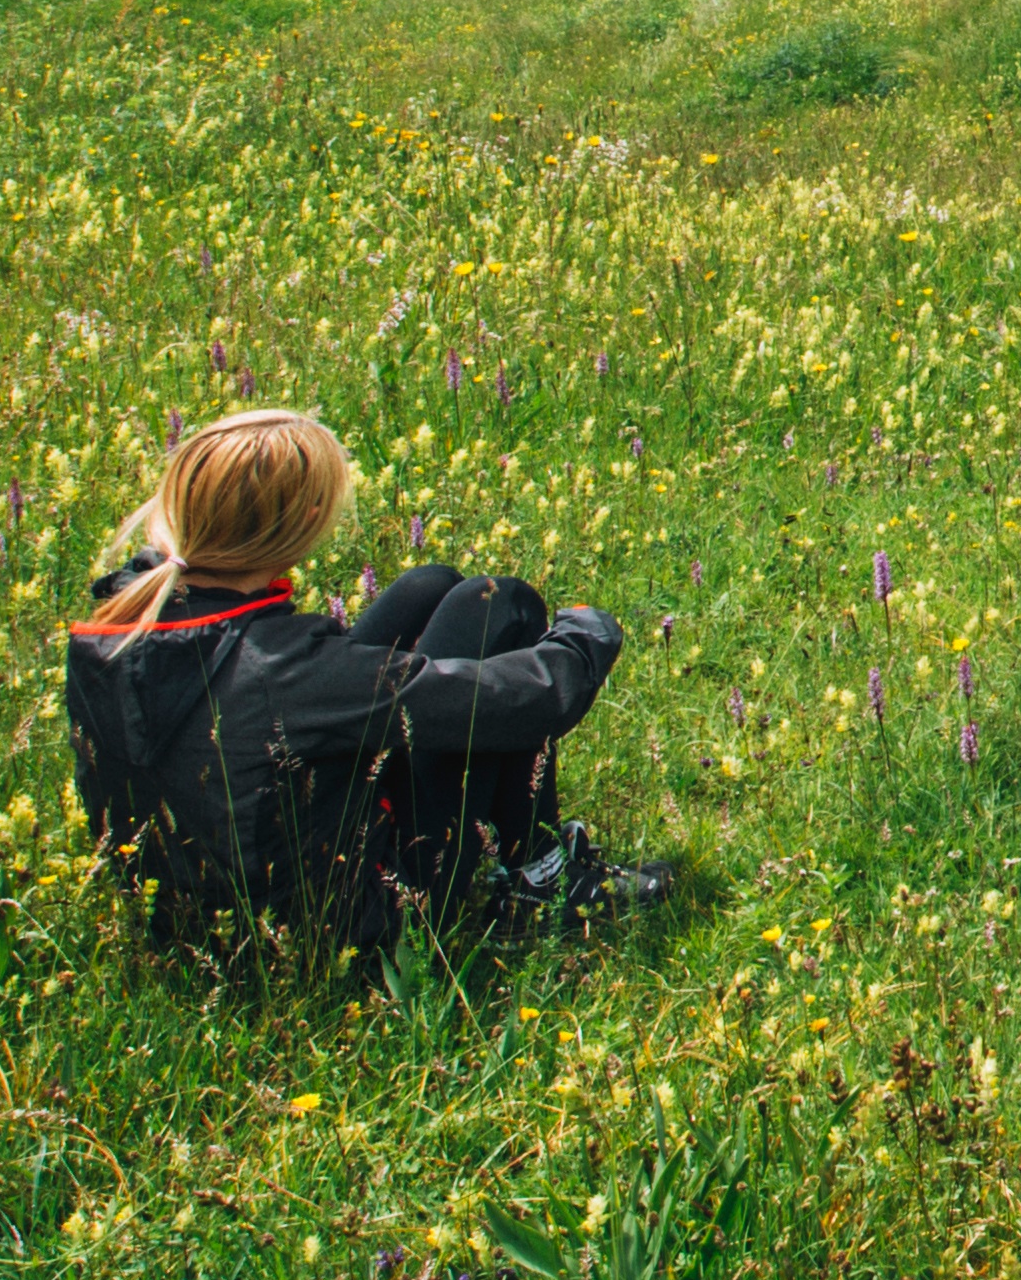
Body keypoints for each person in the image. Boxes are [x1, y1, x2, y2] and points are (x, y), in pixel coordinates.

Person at [61, 404, 667, 946]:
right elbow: (510, 702)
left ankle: (533, 867)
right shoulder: (286, 667)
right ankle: (542, 879)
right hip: (341, 927)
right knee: (499, 605)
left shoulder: (116, 631)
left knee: (430, 587)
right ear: (309, 518)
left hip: (194, 916)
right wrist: (586, 637)